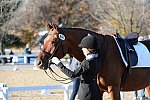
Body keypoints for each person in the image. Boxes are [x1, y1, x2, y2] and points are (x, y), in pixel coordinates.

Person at [51, 35, 101, 100]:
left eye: (83, 48)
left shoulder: (87, 62)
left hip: (86, 93)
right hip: (96, 91)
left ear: (88, 49)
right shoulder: (98, 58)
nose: (82, 49)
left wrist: (59, 63)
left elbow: (72, 74)